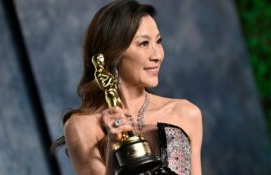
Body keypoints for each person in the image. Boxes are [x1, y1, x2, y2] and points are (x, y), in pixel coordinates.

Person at [51, 0, 203, 174]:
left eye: (158, 41)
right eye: (144, 43)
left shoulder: (186, 113)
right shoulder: (81, 125)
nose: (158, 55)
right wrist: (113, 145)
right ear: (114, 52)